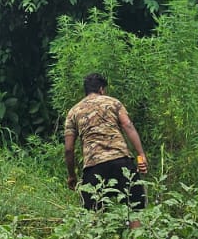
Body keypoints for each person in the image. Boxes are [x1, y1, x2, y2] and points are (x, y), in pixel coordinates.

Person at [63, 73, 148, 230]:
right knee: (135, 210)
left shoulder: (73, 112)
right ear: (102, 89)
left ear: (86, 90)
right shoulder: (113, 103)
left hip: (94, 167)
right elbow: (128, 126)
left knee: (93, 215)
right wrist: (141, 155)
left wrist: (72, 175)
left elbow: (69, 149)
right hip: (122, 161)